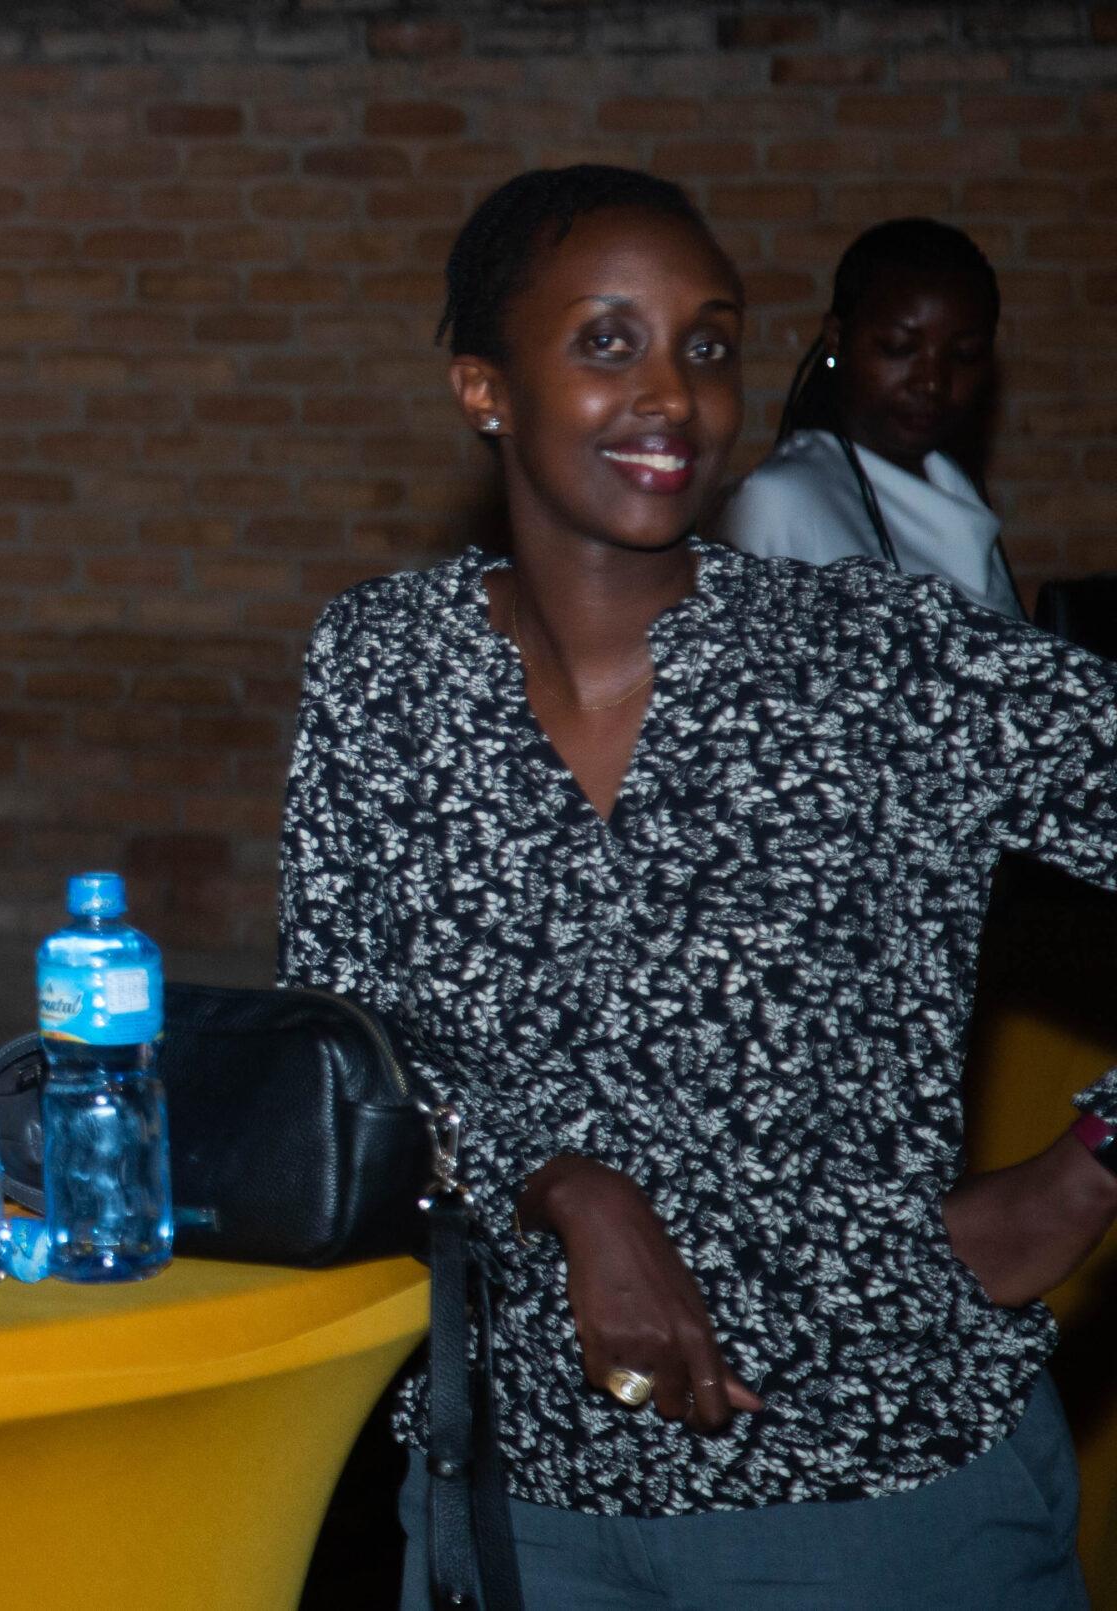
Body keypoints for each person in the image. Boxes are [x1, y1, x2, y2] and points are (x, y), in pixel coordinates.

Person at [277, 167, 1117, 1608]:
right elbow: (348, 1058)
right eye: (608, 342)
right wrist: (561, 1184)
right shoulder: (385, 669)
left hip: (873, 1495)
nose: (672, 394)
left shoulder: (882, 662)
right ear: (485, 389)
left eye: (708, 345)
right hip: (518, 1506)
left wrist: (1094, 1155)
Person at [716, 218, 1019, 617]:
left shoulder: (953, 483)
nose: (932, 382)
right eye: (898, 348)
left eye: (964, 355)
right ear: (836, 339)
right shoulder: (779, 501)